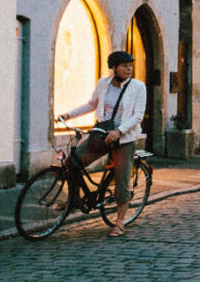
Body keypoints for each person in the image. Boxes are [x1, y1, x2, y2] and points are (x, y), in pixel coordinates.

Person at [58, 50, 147, 238]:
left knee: (122, 180)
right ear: (113, 67)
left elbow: (138, 115)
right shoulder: (103, 84)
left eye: (130, 64)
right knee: (72, 163)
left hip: (124, 139)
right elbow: (91, 104)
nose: (129, 68)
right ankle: (74, 200)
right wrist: (68, 115)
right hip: (101, 134)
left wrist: (119, 131)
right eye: (124, 65)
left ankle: (120, 222)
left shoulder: (138, 87)